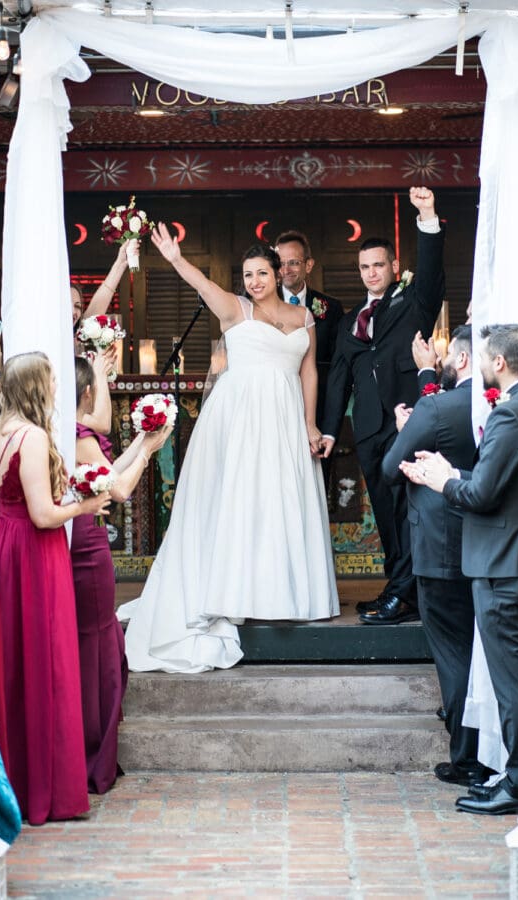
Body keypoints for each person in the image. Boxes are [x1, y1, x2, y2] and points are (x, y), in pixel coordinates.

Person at [120, 225, 339, 674]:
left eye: (262, 272)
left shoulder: (305, 318)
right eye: (248, 274)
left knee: (280, 503)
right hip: (239, 419)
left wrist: (310, 424)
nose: (254, 281)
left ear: (278, 274)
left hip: (285, 418)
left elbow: (309, 373)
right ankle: (235, 591)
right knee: (240, 500)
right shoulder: (235, 310)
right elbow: (201, 283)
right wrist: (175, 257)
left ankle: (283, 593)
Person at [401, 324, 518, 813]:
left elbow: (481, 495)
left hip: (503, 565)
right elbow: (500, 482)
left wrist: (441, 482)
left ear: (498, 363)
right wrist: (453, 472)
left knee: (513, 682)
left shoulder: (511, 415)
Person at [0, 352, 110, 825]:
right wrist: (85, 507)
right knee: (47, 661)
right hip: (34, 552)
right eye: (52, 379)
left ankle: (15, 779)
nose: (58, 387)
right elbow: (43, 515)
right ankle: (47, 788)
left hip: (5, 545)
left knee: (14, 664)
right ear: (37, 387)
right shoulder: (34, 437)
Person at [321, 186, 445, 623]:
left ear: (394, 267)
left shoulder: (413, 302)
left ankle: (407, 594)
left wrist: (426, 217)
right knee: (386, 516)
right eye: (364, 267)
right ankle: (397, 587)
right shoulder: (352, 320)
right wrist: (332, 430)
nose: (371, 273)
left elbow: (431, 275)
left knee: (408, 511)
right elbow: (338, 377)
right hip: (370, 430)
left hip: (408, 424)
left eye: (379, 265)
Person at [383, 325, 484, 786]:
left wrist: (407, 430)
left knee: (452, 652)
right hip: (487, 545)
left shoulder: (437, 407)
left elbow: (390, 467)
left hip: (439, 547)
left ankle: (466, 756)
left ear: (462, 360)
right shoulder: (497, 406)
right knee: (480, 647)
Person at [72, 355, 172, 793]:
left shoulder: (75, 432)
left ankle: (95, 748)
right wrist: (149, 450)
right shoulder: (77, 438)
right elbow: (120, 489)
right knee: (98, 651)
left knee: (100, 644)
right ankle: (94, 753)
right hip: (86, 547)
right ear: (89, 394)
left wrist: (142, 439)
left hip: (81, 540)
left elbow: (109, 472)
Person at [274, 230, 344, 431]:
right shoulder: (262, 307)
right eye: (281, 263)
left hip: (319, 405)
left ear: (309, 265)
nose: (286, 269)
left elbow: (336, 364)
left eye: (294, 262)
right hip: (275, 403)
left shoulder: (331, 308)